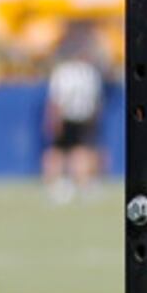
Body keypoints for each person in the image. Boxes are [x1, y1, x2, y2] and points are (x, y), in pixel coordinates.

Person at [41, 25, 108, 200]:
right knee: (79, 150)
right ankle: (82, 184)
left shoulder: (62, 72)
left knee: (60, 151)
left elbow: (55, 100)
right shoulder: (89, 72)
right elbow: (96, 100)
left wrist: (53, 120)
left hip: (67, 115)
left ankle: (57, 185)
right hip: (82, 116)